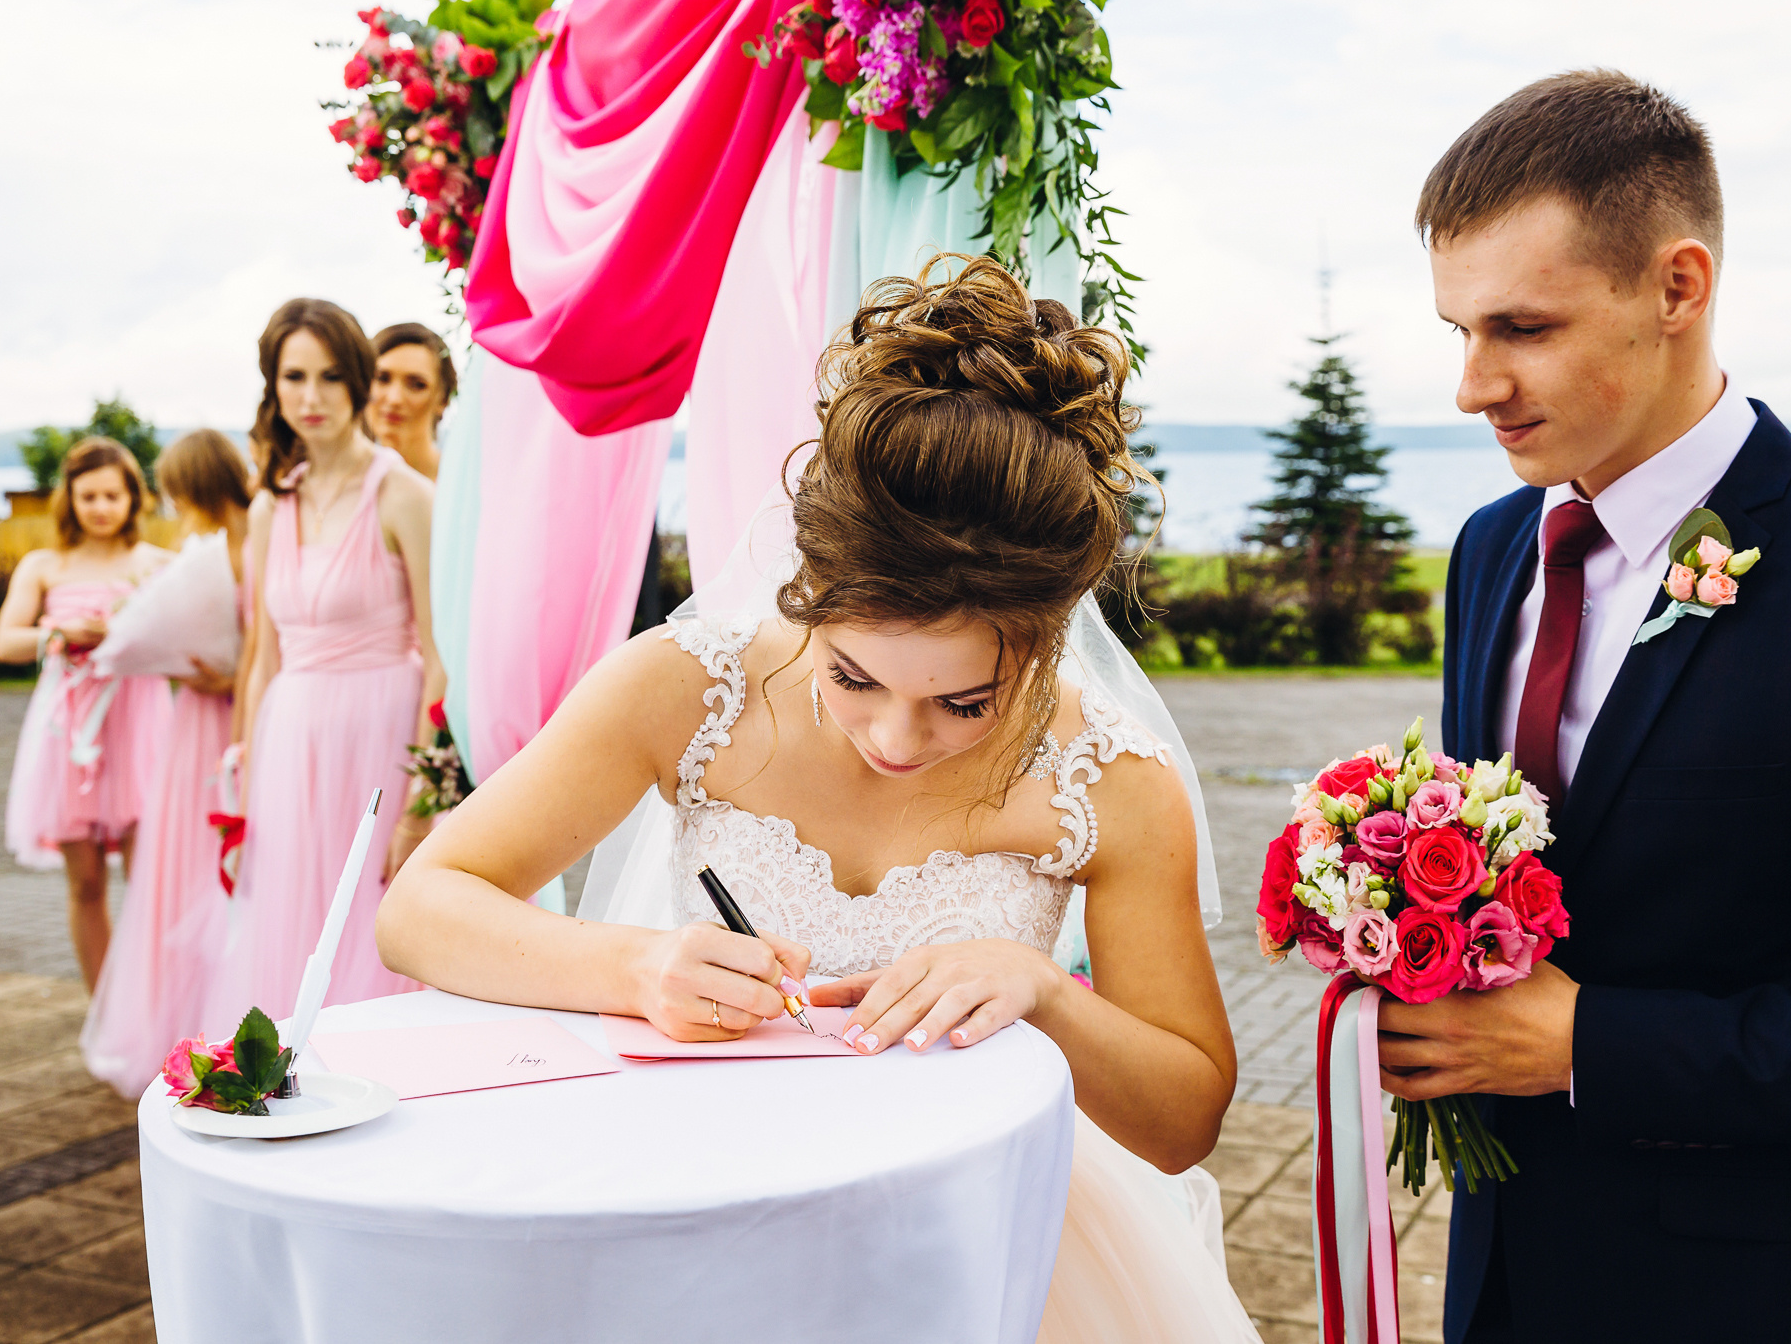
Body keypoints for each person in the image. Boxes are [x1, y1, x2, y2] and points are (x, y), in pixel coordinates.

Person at [378, 257, 1259, 1342]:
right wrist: (634, 967)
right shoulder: (685, 689)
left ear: (1045, 640)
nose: (896, 739)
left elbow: (1182, 1119)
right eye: (852, 677)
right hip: (706, 1202)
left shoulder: (1112, 781)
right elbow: (420, 909)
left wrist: (1044, 992)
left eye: (965, 702)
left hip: (979, 1232)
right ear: (807, 590)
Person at [1389, 71, 1791, 1343]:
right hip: (1502, 1273)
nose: (1472, 386)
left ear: (1676, 286)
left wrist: (1586, 1046)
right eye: (1458, 331)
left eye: (1521, 328)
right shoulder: (1489, 549)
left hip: (1759, 1294)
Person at [207, 299, 442, 1032]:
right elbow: (261, 657)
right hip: (288, 743)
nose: (312, 397)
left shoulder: (406, 496)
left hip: (381, 742)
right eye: (294, 377)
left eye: (331, 376)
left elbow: (440, 660)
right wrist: (245, 780)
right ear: (273, 386)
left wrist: (420, 801)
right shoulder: (268, 509)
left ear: (358, 381)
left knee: (373, 922)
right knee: (291, 926)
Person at [80, 430, 255, 1095]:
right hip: (204, 717)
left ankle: (216, 1019)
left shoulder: (243, 546)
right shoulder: (207, 551)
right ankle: (189, 1025)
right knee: (190, 865)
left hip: (233, 715)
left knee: (215, 864)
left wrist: (226, 675)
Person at [0, 437, 175, 990]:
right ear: (69, 498)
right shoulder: (45, 565)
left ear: (133, 498)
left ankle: (150, 1003)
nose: (100, 507)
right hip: (69, 733)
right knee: (87, 883)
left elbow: (187, 642)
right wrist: (59, 633)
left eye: (112, 496)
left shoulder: (157, 564)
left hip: (139, 725)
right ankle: (104, 1007)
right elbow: (6, 641)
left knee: (149, 884)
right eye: (88, 496)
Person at [366, 322, 455, 481]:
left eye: (417, 385)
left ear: (443, 399)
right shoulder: (338, 480)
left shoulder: (463, 482)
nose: (394, 399)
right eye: (382, 378)